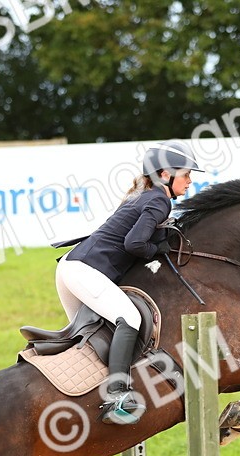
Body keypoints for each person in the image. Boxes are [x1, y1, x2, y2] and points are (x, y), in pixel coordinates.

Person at [56, 141, 203, 424]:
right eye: (185, 174)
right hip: (84, 270)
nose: (189, 181)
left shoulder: (146, 196)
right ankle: (117, 396)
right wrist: (157, 251)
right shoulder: (159, 200)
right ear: (164, 175)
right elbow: (135, 243)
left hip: (73, 268)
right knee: (130, 319)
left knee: (93, 340)